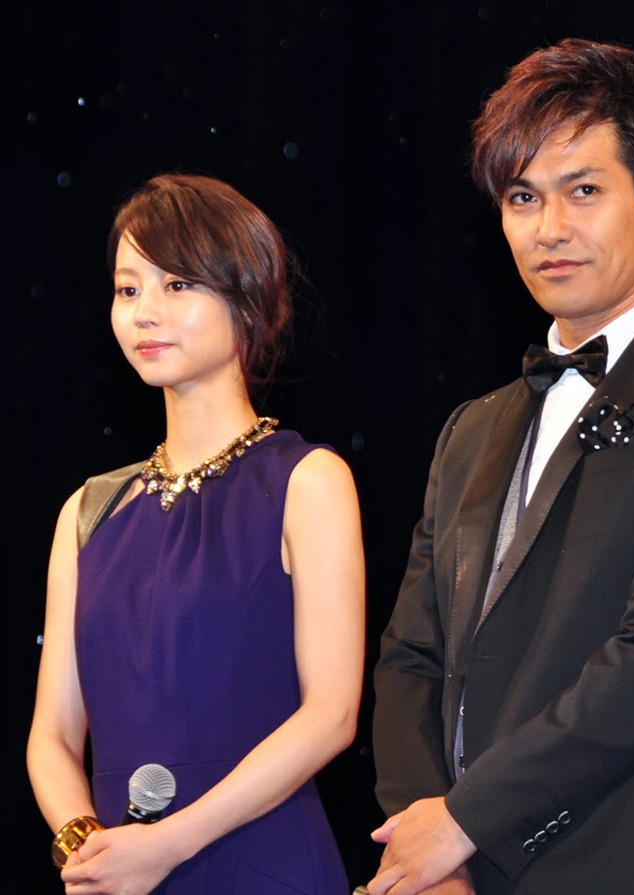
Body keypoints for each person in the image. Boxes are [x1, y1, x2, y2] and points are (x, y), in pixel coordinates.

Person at [369, 39, 634, 895]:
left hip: (630, 860)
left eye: (584, 191)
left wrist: (464, 821)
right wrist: (425, 848)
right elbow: (410, 657)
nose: (549, 229)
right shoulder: (471, 427)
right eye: (522, 197)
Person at [27, 174, 365, 894]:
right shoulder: (88, 511)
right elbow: (52, 732)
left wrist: (169, 844)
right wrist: (85, 844)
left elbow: (332, 714)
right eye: (127, 290)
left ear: (247, 296)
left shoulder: (307, 481)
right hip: (119, 871)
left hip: (262, 860)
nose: (145, 312)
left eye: (177, 285)